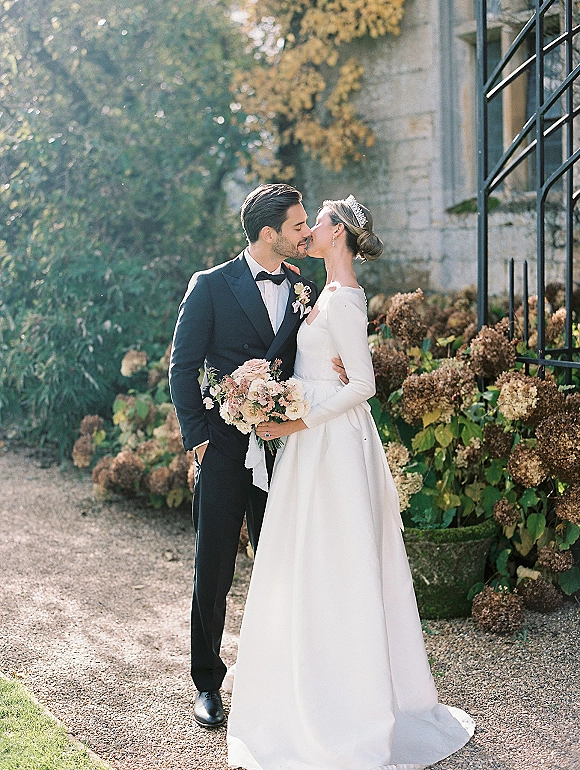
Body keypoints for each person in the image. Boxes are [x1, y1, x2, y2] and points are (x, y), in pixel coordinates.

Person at [227, 195, 475, 769]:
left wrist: (295, 420)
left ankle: (349, 706)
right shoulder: (325, 293)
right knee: (306, 561)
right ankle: (303, 680)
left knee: (337, 563)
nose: (307, 229)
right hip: (313, 442)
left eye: (315, 221)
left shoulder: (343, 299)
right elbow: (324, 366)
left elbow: (362, 385)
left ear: (336, 232)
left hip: (331, 444)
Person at [170, 184, 345, 729]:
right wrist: (198, 439)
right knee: (213, 569)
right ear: (269, 234)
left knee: (283, 567)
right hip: (223, 450)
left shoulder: (303, 288)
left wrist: (338, 367)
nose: (306, 233)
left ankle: (281, 680)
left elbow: (312, 354)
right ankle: (207, 683)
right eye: (298, 225)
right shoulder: (210, 285)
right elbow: (182, 368)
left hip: (285, 450)